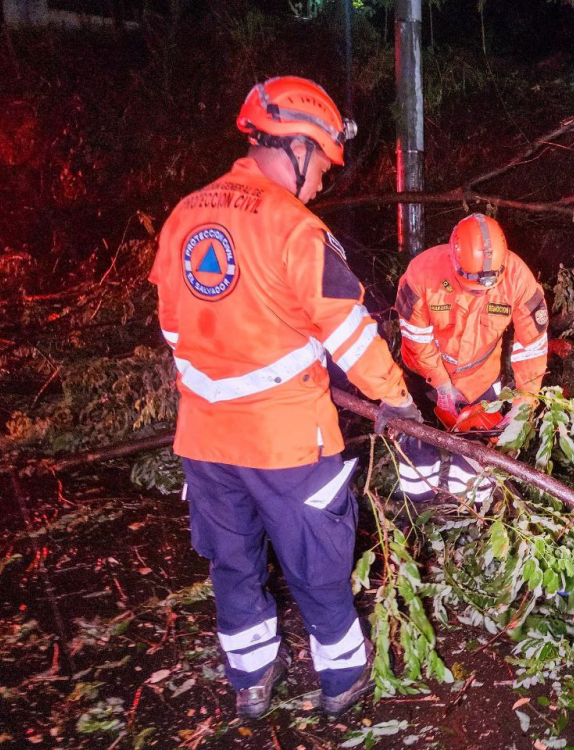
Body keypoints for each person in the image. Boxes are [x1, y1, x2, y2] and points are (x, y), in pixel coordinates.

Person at [149, 76, 421, 720]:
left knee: (232, 563)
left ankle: (250, 680)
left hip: (205, 441)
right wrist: (398, 401)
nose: (323, 181)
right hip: (290, 442)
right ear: (296, 147)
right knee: (318, 563)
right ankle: (342, 677)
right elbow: (350, 335)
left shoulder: (184, 215)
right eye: (322, 163)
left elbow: (172, 328)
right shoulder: (295, 227)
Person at [393, 214, 549, 505]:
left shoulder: (518, 279)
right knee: (416, 452)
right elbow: (416, 338)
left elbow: (532, 348)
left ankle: (468, 512)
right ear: (454, 262)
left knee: (476, 463)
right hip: (423, 376)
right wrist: (441, 384)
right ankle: (415, 509)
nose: (481, 292)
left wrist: (524, 404)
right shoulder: (423, 273)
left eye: (487, 286)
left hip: (479, 380)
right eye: (472, 285)